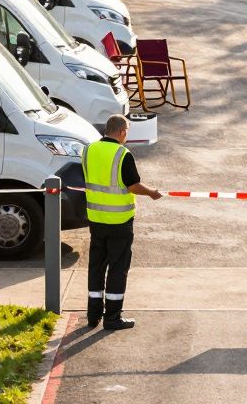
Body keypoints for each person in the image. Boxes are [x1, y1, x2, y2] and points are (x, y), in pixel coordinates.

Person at [84, 114, 163, 330]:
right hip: (119, 222)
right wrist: (152, 193)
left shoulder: (88, 150)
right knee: (118, 269)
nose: (126, 136)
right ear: (121, 132)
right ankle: (112, 318)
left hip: (96, 220)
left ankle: (92, 316)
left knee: (96, 267)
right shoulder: (122, 154)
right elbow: (133, 185)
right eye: (126, 131)